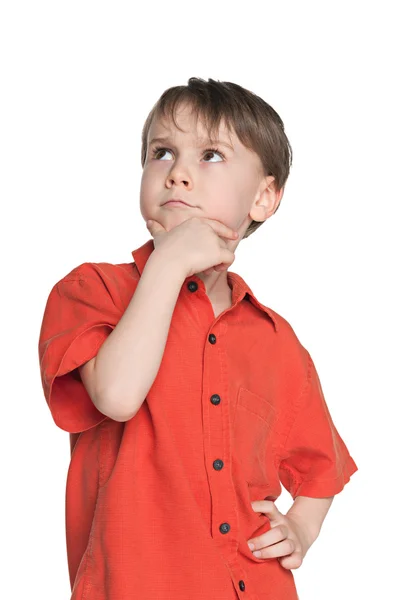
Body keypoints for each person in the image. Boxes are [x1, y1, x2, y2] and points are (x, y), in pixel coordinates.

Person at [38, 77, 358, 600]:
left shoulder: (277, 341)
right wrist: (168, 263)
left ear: (263, 197)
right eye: (161, 153)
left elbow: (322, 466)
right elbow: (117, 395)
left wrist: (302, 527)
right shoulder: (92, 290)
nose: (178, 175)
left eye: (211, 155)